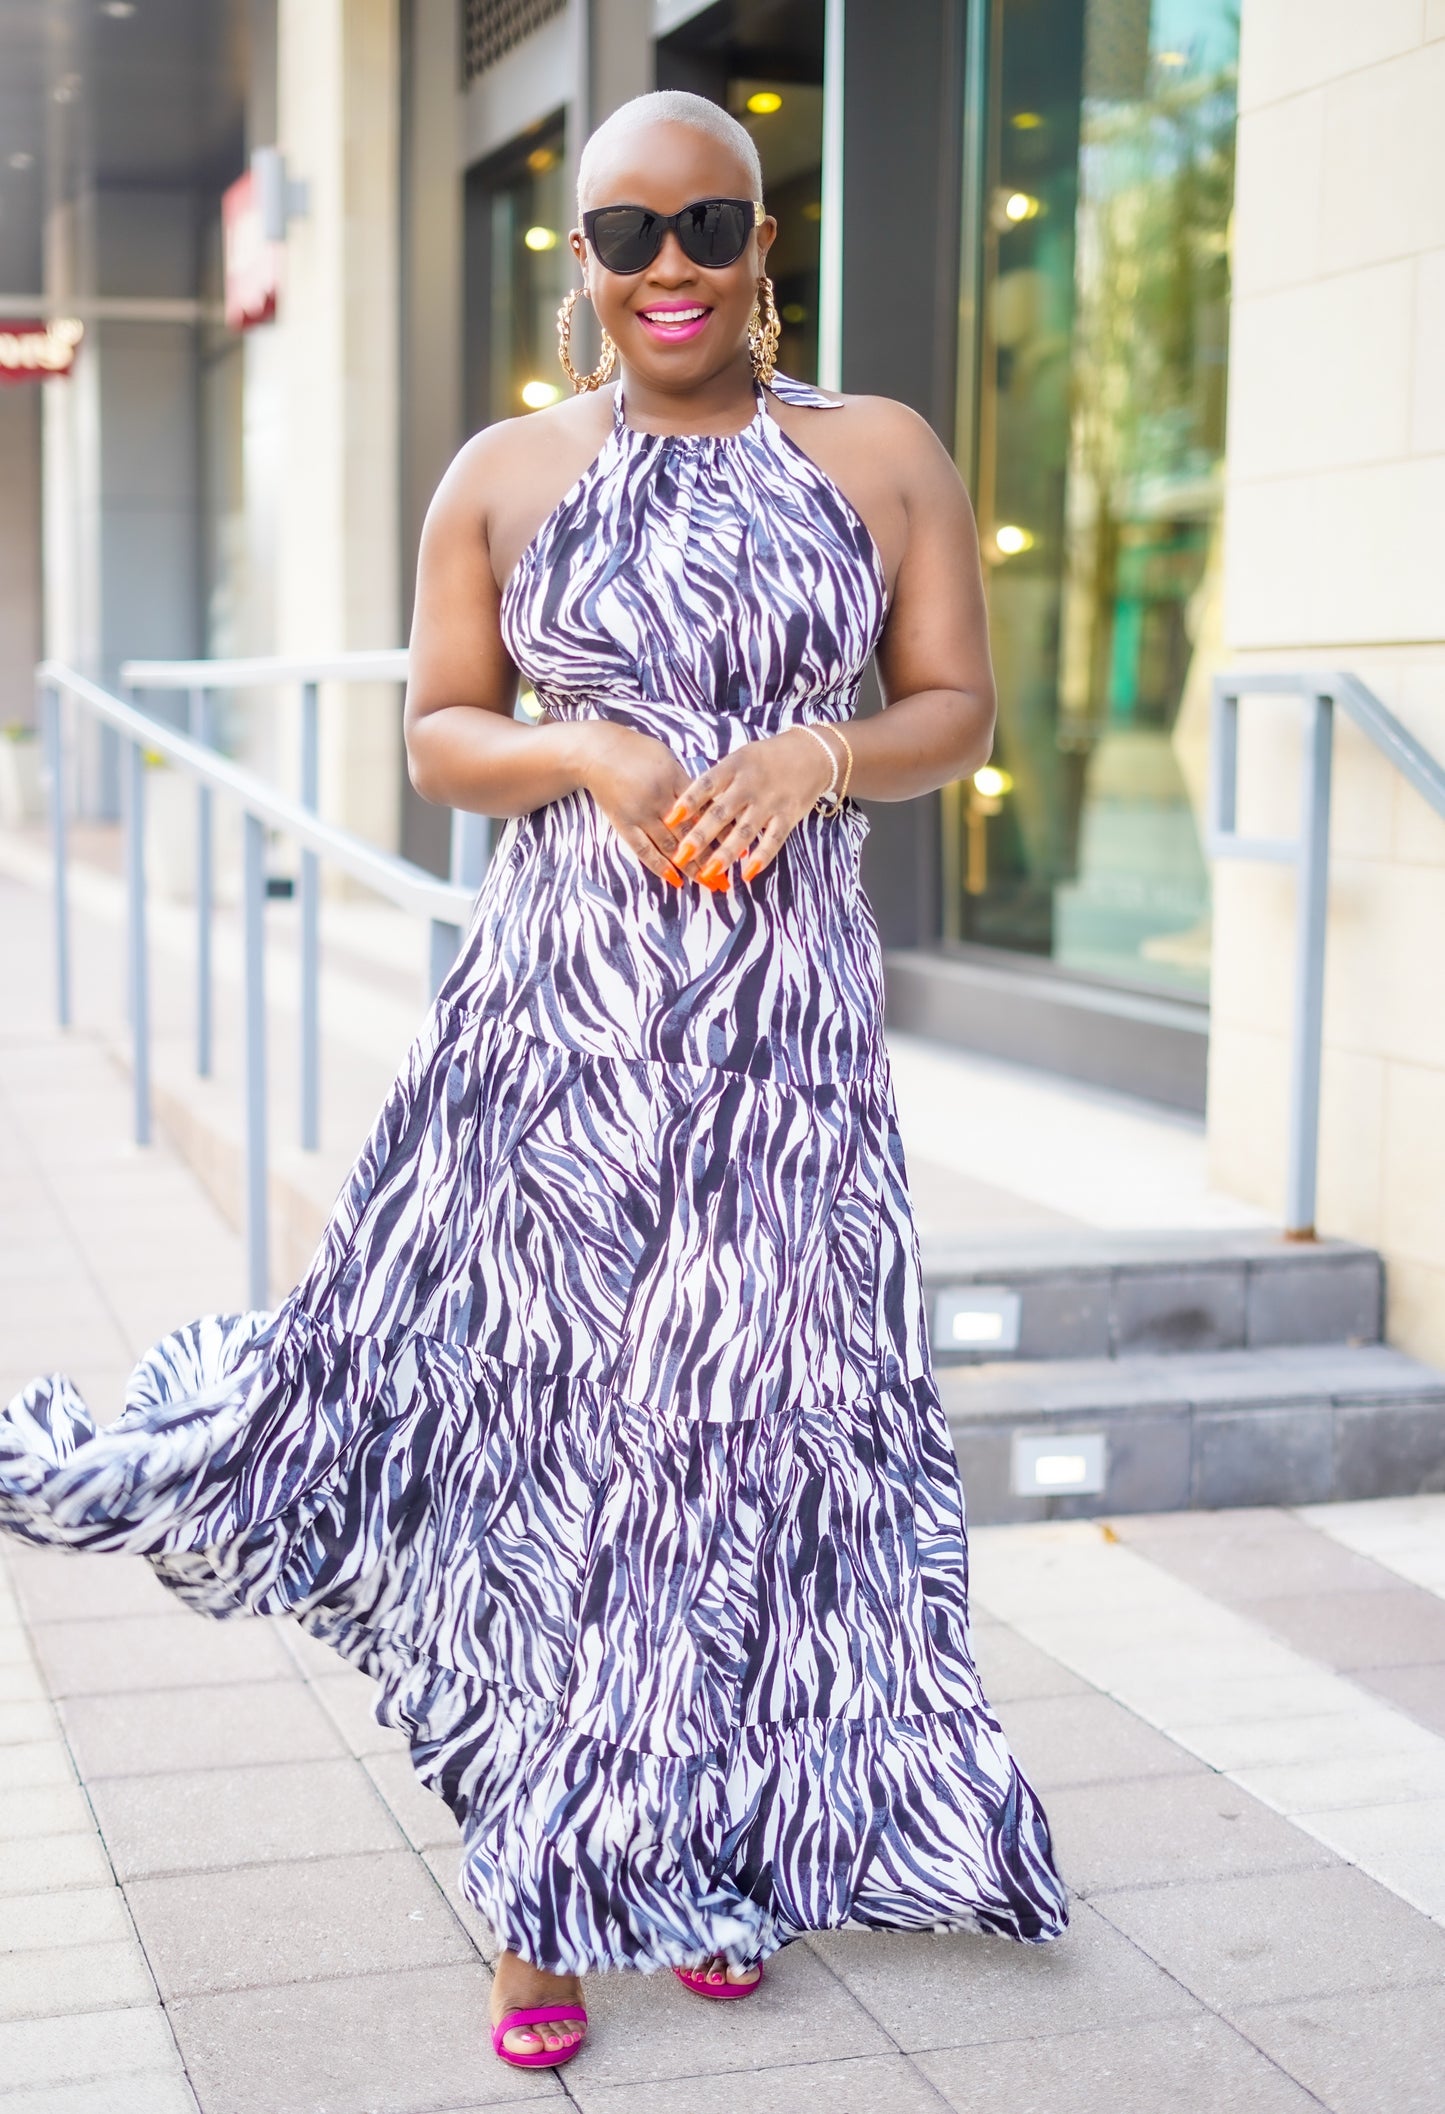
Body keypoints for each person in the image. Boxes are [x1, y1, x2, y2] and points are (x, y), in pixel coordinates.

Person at [0, 90, 1066, 2076]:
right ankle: (540, 1888)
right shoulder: (503, 472)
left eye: (709, 226)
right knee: (568, 1444)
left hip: (787, 1048)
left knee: (749, 1441)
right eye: (628, 232)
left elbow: (953, 707)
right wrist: (589, 754)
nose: (670, 267)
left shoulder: (883, 455)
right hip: (561, 1029)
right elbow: (436, 737)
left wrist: (816, 757)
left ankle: (714, 1849)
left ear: (768, 245)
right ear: (577, 260)